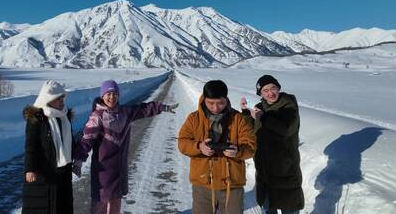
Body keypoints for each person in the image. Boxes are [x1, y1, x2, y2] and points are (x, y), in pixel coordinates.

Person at [73, 80, 178, 214]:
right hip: (103, 170)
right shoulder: (97, 116)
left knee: (116, 200)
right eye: (108, 94)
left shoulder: (125, 112)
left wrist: (162, 107)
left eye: (115, 94)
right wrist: (78, 160)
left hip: (120, 169)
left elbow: (143, 109)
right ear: (102, 96)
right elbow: (86, 140)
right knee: (101, 202)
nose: (112, 97)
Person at [178, 80, 256, 214]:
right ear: (204, 99)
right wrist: (199, 146)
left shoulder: (238, 118)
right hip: (203, 184)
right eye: (211, 103)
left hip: (232, 184)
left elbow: (251, 146)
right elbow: (182, 143)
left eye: (220, 103)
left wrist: (238, 151)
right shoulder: (193, 119)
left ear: (226, 99)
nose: (216, 108)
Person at [240, 75, 304, 214]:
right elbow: (249, 132)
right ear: (260, 93)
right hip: (264, 171)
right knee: (268, 209)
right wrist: (246, 113)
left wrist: (264, 117)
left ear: (279, 88)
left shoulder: (289, 105)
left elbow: (287, 129)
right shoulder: (258, 108)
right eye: (265, 90)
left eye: (273, 88)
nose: (270, 93)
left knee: (290, 208)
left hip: (285, 170)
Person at [22, 80, 74, 214]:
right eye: (58, 98)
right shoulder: (37, 119)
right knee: (43, 207)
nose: (62, 101)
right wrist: (30, 169)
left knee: (61, 206)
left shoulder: (64, 116)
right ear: (48, 99)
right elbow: (31, 146)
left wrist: (76, 158)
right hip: (44, 172)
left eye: (63, 97)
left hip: (63, 172)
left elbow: (70, 141)